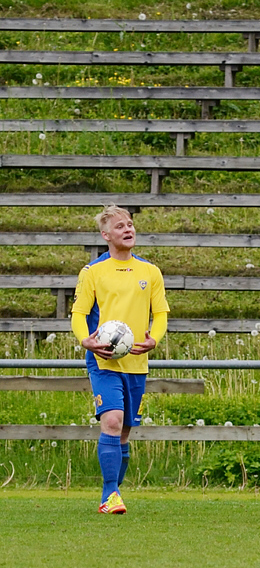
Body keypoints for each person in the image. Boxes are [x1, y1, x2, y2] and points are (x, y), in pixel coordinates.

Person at [71, 206, 169, 514]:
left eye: (130, 224)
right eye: (119, 226)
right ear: (105, 235)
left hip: (137, 363)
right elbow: (79, 314)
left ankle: (114, 491)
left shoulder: (150, 272)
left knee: (124, 431)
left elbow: (161, 313)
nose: (128, 229)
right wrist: (84, 339)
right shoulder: (93, 272)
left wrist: (155, 338)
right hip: (103, 361)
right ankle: (109, 495)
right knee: (111, 421)